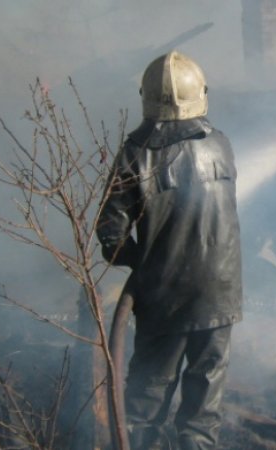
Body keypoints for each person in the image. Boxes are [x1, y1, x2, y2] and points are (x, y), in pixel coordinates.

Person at [96, 50, 243, 450]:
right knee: (203, 410)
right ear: (201, 93)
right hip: (220, 294)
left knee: (147, 402)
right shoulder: (221, 144)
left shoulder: (135, 152)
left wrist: (141, 264)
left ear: (146, 97)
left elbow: (110, 235)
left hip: (164, 298)